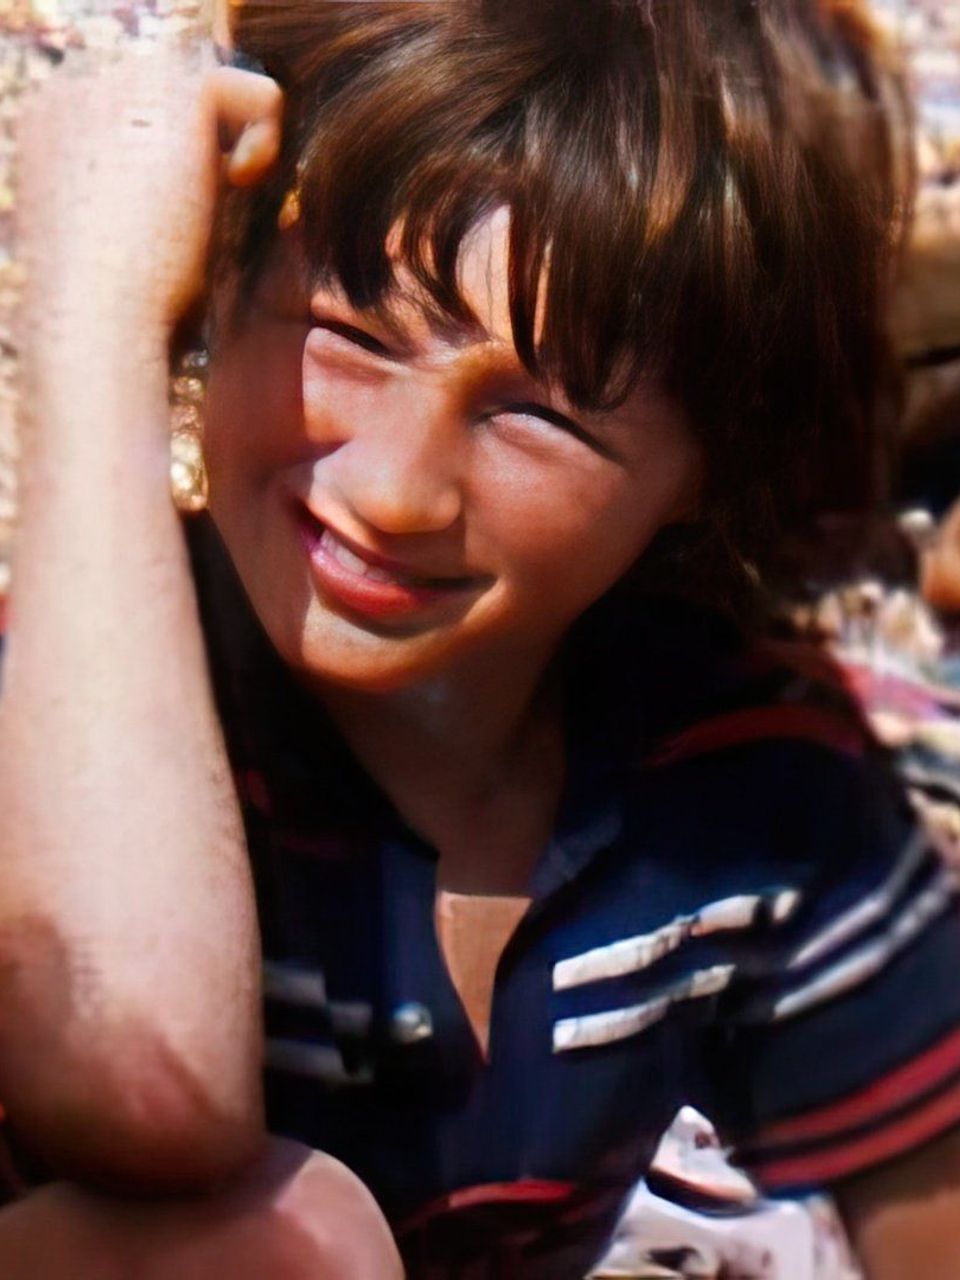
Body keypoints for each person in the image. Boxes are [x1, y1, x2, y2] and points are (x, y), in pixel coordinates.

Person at [3, 1, 960, 1276]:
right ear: (213, 289)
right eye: (347, 337)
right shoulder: (66, 699)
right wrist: (89, 326)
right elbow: (142, 1079)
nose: (396, 491)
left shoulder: (740, 774)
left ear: (707, 464)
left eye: (539, 419)